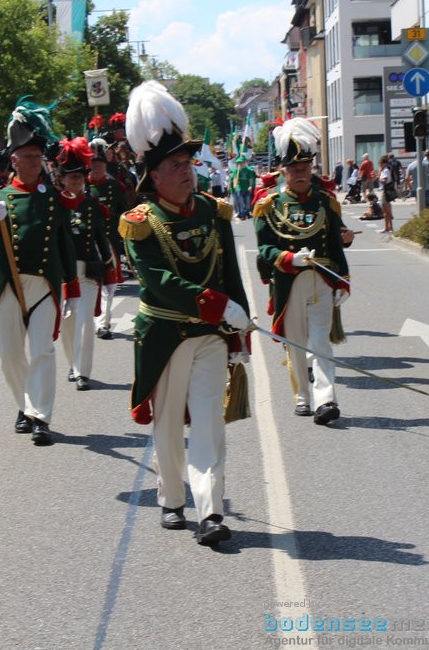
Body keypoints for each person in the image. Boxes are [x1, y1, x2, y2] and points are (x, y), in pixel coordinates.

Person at [120, 81, 251, 546]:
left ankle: (211, 510)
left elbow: (231, 273)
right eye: (175, 165)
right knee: (170, 423)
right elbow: (160, 282)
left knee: (210, 424)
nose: (186, 172)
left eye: (188, 163)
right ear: (153, 175)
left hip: (212, 336)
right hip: (165, 336)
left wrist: (242, 325)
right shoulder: (139, 224)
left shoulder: (213, 214)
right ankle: (172, 497)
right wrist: (219, 305)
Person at [0, 99, 79, 447]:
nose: (35, 162)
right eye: (28, 157)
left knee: (43, 351)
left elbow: (65, 242)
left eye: (39, 156)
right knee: (9, 353)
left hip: (43, 286)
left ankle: (41, 416)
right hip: (8, 284)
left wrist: (73, 285)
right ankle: (23, 404)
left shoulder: (53, 198)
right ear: (14, 159)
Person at [254, 117, 349, 426]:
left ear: (311, 170)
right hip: (288, 281)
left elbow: (334, 244)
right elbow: (265, 249)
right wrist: (288, 258)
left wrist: (342, 282)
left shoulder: (326, 203)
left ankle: (326, 400)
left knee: (321, 341)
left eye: (304, 170)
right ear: (283, 172)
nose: (300, 175)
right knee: (295, 342)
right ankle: (302, 397)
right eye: (294, 170)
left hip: (321, 279)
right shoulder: (270, 206)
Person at [56, 137, 114, 391]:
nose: (75, 180)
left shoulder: (92, 205)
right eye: (70, 177)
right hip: (63, 272)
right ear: (62, 180)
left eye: (79, 176)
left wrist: (110, 270)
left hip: (88, 270)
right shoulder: (55, 205)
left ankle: (82, 372)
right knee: (67, 323)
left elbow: (101, 238)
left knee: (84, 322)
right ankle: (72, 363)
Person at [87, 138, 127, 340]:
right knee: (90, 284)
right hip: (86, 243)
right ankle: (93, 320)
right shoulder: (81, 185)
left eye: (100, 165)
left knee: (109, 285)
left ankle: (102, 323)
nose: (97, 168)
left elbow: (125, 210)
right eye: (93, 165)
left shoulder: (114, 186)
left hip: (109, 241)